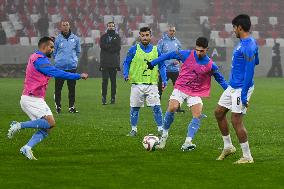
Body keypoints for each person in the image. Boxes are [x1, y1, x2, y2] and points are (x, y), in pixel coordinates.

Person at [7, 37, 88, 160]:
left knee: (47, 128)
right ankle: (18, 125)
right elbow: (56, 72)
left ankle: (27, 148)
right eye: (51, 47)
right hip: (32, 98)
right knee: (50, 123)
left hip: (33, 98)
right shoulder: (39, 60)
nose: (52, 50)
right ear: (44, 47)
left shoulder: (36, 57)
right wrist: (78, 75)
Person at [147, 37, 228, 151]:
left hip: (195, 92)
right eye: (197, 50)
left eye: (202, 51)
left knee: (197, 114)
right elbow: (169, 55)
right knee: (173, 107)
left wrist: (231, 92)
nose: (199, 53)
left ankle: (188, 142)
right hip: (181, 88)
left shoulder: (210, 65)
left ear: (207, 49)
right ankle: (164, 136)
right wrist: (153, 63)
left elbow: (221, 80)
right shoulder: (186, 54)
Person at [214, 14, 259, 164]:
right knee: (219, 112)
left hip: (241, 88)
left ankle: (247, 156)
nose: (233, 30)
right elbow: (256, 60)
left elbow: (250, 71)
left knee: (236, 120)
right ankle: (228, 147)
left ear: (240, 27)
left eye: (234, 27)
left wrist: (244, 94)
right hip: (232, 86)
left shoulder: (248, 45)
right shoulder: (244, 42)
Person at [123, 26, 167, 137]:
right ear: (140, 36)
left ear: (150, 36)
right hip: (137, 84)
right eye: (143, 35)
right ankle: (133, 130)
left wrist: (164, 79)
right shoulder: (133, 49)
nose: (145, 37)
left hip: (151, 84)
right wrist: (125, 73)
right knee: (135, 108)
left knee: (156, 107)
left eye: (147, 35)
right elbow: (126, 63)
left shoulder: (156, 50)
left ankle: (160, 129)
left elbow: (162, 65)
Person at [53, 21, 81, 113]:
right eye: (63, 25)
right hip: (60, 68)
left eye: (67, 25)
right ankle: (58, 107)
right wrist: (59, 60)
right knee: (58, 88)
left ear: (69, 26)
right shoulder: (57, 39)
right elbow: (54, 52)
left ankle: (71, 107)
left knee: (72, 88)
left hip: (72, 67)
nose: (65, 27)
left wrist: (73, 60)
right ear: (61, 27)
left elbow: (78, 51)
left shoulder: (75, 38)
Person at [157, 25, 185, 113]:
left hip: (175, 70)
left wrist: (178, 60)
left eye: (173, 30)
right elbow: (157, 54)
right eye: (170, 30)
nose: (172, 32)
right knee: (160, 88)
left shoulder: (177, 42)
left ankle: (178, 107)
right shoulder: (162, 42)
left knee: (178, 89)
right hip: (164, 69)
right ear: (167, 31)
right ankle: (156, 106)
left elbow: (181, 54)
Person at [100, 21, 121, 105]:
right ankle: (104, 97)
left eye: (112, 26)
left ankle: (113, 97)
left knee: (113, 81)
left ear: (115, 27)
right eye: (109, 26)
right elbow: (102, 46)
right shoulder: (103, 37)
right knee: (104, 81)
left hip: (114, 62)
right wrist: (111, 47)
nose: (111, 27)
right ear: (107, 27)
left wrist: (107, 47)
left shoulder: (117, 37)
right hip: (105, 62)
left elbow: (117, 48)